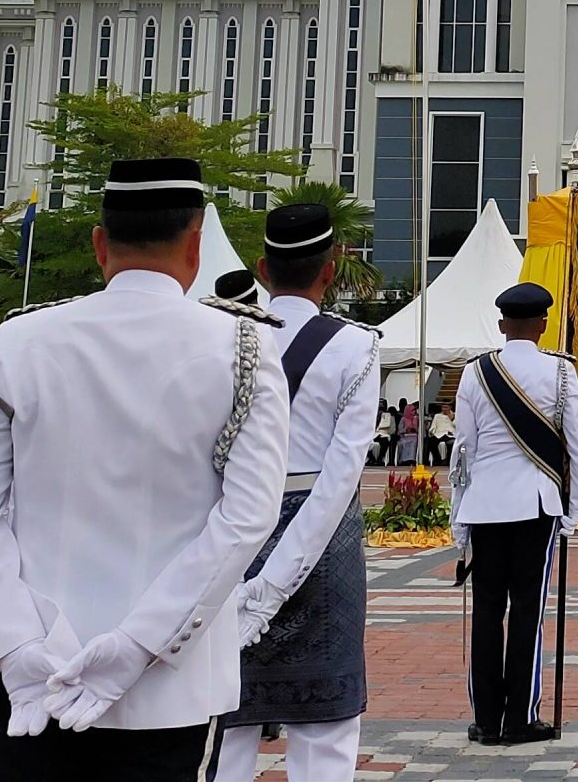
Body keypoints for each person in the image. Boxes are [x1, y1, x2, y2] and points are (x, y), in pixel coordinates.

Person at [0, 157, 291, 779]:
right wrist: (138, 647)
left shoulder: (21, 341)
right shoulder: (245, 348)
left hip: (36, 679)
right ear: (196, 242)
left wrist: (16, 649)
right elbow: (245, 520)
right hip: (170, 687)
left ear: (100, 243)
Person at [216, 206, 383, 782]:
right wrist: (281, 579)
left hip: (233, 527)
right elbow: (343, 473)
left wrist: (256, 583)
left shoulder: (226, 337)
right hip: (323, 535)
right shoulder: (355, 347)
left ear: (262, 268)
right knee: (325, 725)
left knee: (223, 712)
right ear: (331, 271)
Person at [449, 282, 578, 747]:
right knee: (528, 611)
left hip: (484, 505)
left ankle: (486, 720)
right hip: (535, 505)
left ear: (503, 324)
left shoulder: (474, 373)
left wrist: (458, 518)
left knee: (487, 611)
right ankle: (520, 719)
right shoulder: (563, 373)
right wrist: (574, 510)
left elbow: (462, 452)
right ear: (544, 324)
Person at [372, 400, 399, 466]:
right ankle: (371, 459)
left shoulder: (389, 416)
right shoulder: (373, 416)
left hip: (384, 435)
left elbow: (392, 429)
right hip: (374, 435)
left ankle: (380, 459)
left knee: (384, 442)